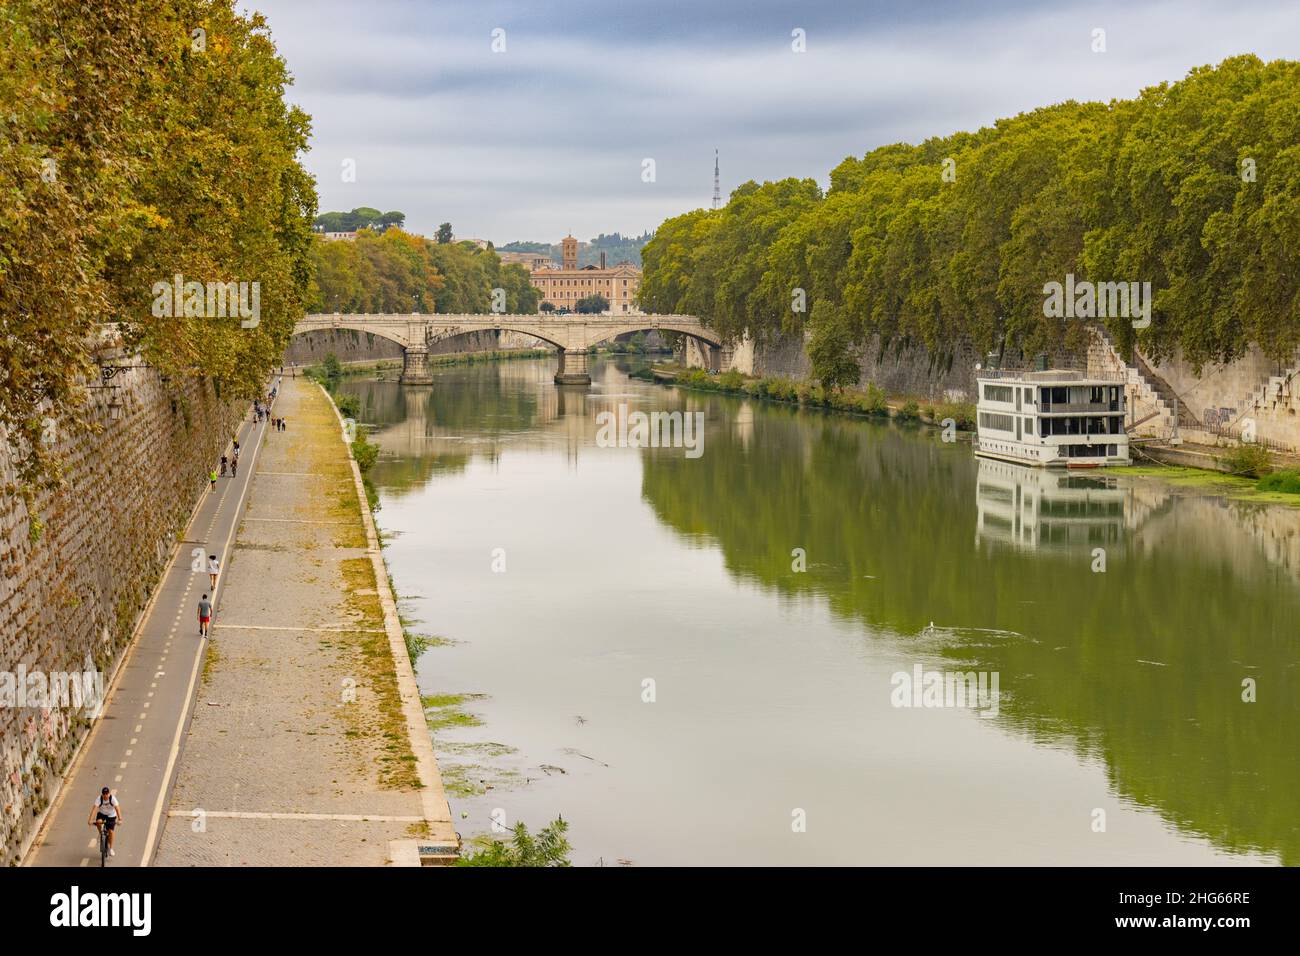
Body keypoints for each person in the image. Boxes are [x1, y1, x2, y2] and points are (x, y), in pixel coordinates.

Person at [88, 786, 122, 857]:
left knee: (111, 831)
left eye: (107, 793)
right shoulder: (99, 799)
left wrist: (120, 819)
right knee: (98, 822)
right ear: (102, 794)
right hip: (102, 814)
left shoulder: (112, 799)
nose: (105, 795)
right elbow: (94, 809)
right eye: (104, 794)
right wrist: (90, 820)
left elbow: (117, 808)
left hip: (111, 815)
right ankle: (101, 834)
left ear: (109, 793)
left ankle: (111, 848)